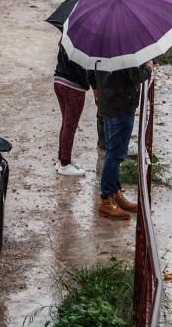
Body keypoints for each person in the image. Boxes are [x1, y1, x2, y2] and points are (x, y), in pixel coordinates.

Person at [92, 61, 152, 220]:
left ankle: (115, 192)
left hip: (107, 102)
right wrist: (148, 68)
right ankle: (106, 200)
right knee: (115, 154)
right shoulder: (125, 52)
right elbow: (136, 76)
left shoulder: (100, 44)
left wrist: (96, 89)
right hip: (121, 104)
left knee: (113, 150)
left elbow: (91, 72)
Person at [54, 42, 91, 177]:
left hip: (59, 81)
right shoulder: (85, 41)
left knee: (66, 123)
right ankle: (65, 163)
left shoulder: (68, 35)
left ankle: (62, 158)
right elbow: (86, 67)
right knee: (70, 125)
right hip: (73, 86)